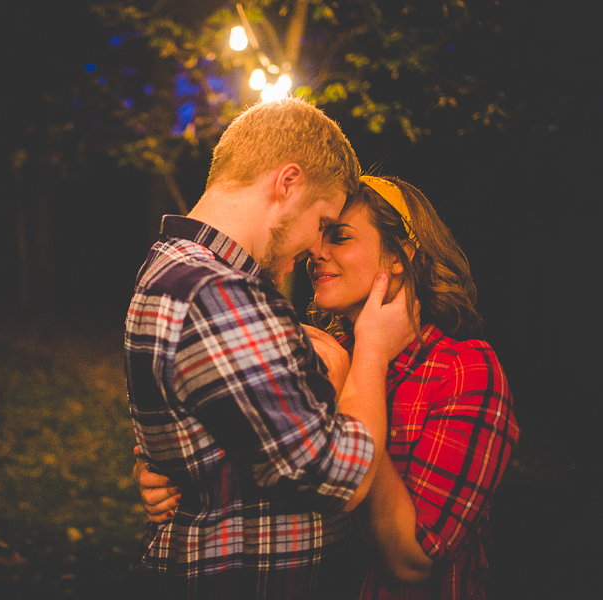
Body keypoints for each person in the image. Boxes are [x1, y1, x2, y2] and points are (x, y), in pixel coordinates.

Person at [136, 175, 520, 599]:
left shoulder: (464, 371)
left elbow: (412, 565)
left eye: (339, 237)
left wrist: (357, 375)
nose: (315, 252)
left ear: (399, 255)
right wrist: (170, 473)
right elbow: (258, 459)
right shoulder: (321, 352)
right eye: (320, 234)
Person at [124, 98, 416, 600]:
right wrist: (370, 350)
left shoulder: (170, 266)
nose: (313, 248)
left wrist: (165, 467)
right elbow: (335, 476)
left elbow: (215, 429)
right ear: (287, 183)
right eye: (322, 222)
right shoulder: (216, 292)